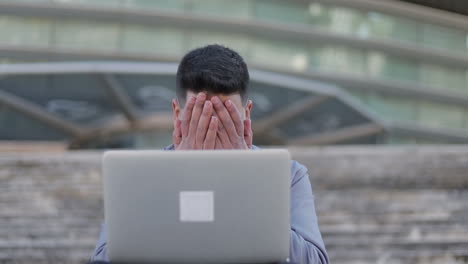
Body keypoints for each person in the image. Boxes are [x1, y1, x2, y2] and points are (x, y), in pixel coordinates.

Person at [90, 44, 329, 264]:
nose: (212, 127)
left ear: (247, 114)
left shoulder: (288, 175)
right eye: (200, 115)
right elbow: (102, 259)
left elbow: (315, 260)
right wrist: (175, 175)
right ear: (177, 114)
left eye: (225, 117)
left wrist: (245, 180)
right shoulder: (138, 176)